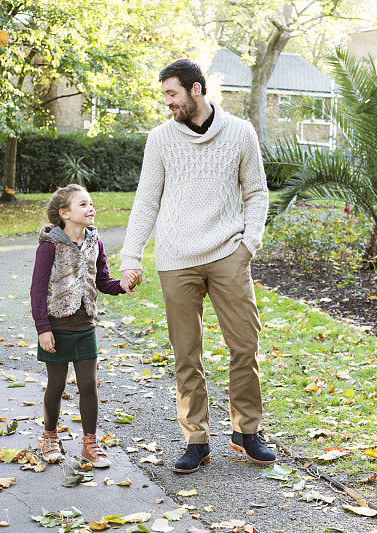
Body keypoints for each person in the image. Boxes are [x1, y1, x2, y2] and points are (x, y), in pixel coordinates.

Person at [119, 58, 276, 474]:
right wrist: (131, 256)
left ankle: (246, 432)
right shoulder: (160, 139)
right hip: (176, 260)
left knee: (244, 345)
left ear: (196, 89)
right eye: (165, 94)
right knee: (186, 353)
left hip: (228, 254)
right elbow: (146, 199)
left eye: (172, 93)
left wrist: (248, 245)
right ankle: (197, 439)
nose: (167, 102)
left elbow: (257, 193)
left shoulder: (241, 132)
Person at [30, 184, 135, 466]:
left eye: (91, 204)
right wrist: (43, 328)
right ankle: (50, 436)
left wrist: (123, 285)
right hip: (57, 326)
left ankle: (90, 444)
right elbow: (38, 289)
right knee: (56, 384)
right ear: (64, 213)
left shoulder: (94, 242)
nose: (91, 209)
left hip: (85, 324)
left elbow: (103, 280)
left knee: (88, 385)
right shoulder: (49, 245)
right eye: (83, 205)